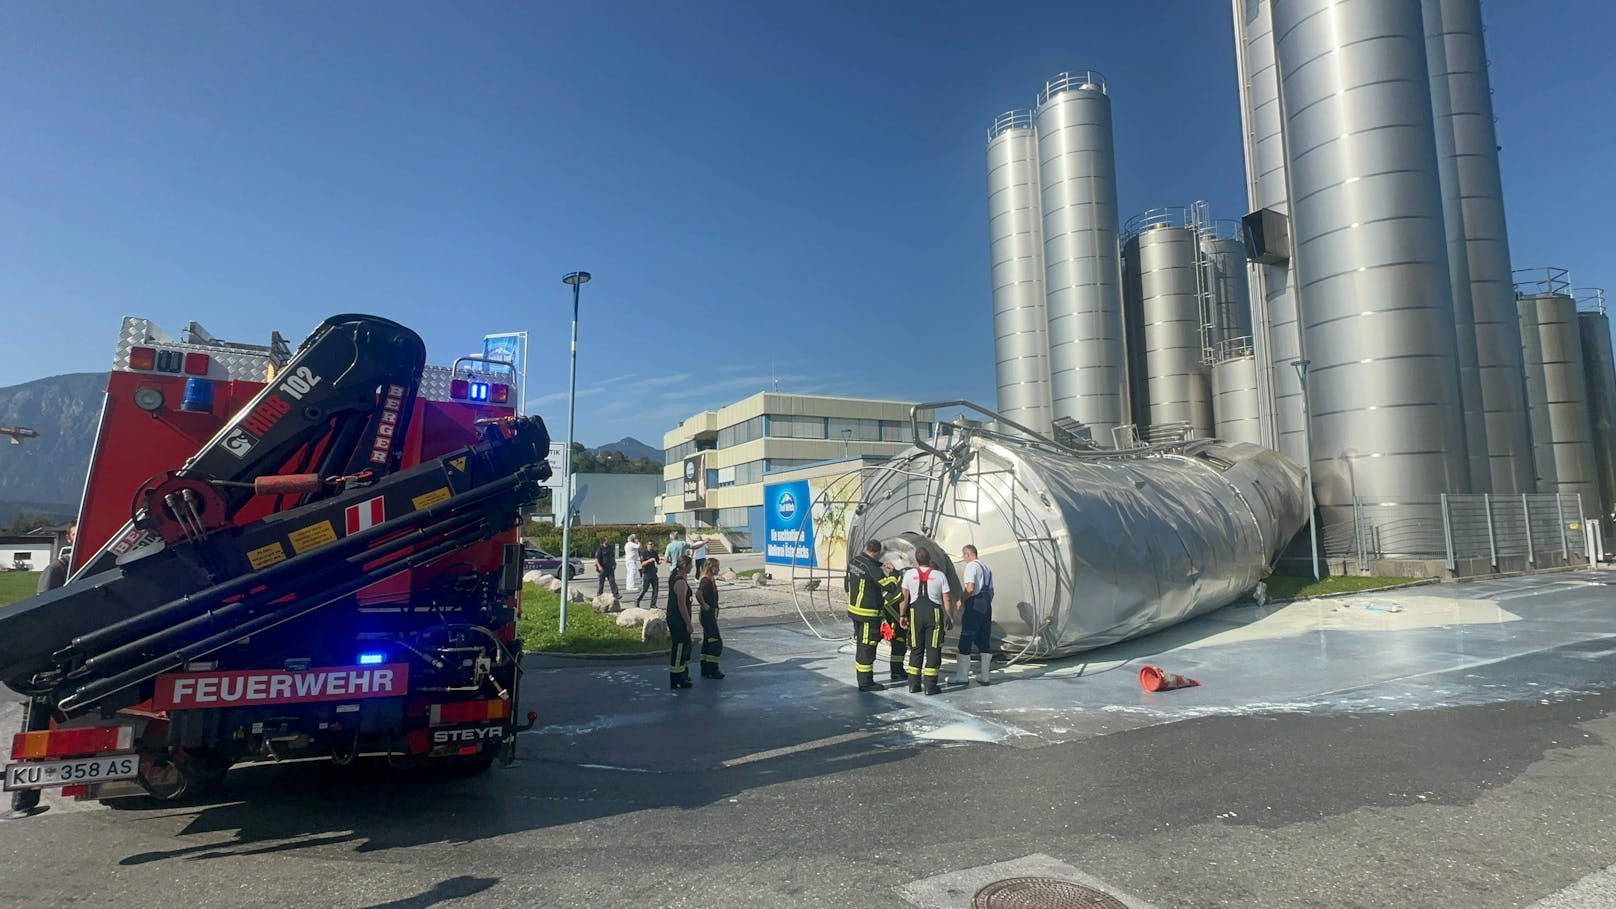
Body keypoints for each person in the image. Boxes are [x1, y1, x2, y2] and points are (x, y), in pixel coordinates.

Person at [899, 546, 952, 695]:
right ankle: (930, 686)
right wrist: (949, 616)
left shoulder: (909, 575)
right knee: (933, 648)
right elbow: (946, 598)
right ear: (929, 559)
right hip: (933, 613)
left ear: (917, 560)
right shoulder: (939, 575)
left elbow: (904, 598)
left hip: (915, 613)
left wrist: (902, 615)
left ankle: (913, 685)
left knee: (916, 648)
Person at [844, 539, 890, 691]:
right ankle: (865, 683)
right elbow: (888, 585)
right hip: (868, 614)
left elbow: (847, 582)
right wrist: (895, 573)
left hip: (855, 611)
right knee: (867, 647)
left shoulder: (854, 561)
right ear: (877, 552)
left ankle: (863, 679)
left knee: (861, 645)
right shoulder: (872, 568)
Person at [952, 544, 994, 685]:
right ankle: (985, 676)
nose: (964, 559)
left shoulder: (971, 566)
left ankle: (962, 676)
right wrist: (985, 604)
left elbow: (970, 588)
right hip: (986, 605)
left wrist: (961, 600)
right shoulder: (987, 568)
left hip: (975, 605)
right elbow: (991, 592)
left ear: (967, 554)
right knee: (984, 639)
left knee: (966, 637)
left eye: (964, 556)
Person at [666, 554, 695, 690]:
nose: (692, 567)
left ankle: (683, 674)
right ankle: (676, 678)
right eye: (691, 565)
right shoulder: (680, 583)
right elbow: (681, 605)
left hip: (675, 618)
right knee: (679, 648)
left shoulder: (677, 577)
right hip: (678, 620)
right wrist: (688, 623)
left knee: (683, 647)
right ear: (686, 566)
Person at [877, 557, 908, 683]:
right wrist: (900, 618)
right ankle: (897, 671)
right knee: (899, 645)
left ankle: (897, 671)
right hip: (894, 617)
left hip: (889, 616)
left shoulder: (898, 579)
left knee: (898, 644)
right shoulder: (904, 585)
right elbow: (898, 601)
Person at [695, 557, 724, 680]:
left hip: (710, 615)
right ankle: (713, 669)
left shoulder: (710, 580)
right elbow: (698, 593)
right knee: (716, 643)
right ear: (711, 568)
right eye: (717, 567)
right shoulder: (706, 581)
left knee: (708, 642)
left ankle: (705, 668)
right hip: (707, 617)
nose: (718, 569)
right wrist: (704, 605)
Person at [36, 520, 75, 594]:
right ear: (68, 538)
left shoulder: (97, 564)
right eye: (75, 534)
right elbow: (44, 601)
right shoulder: (55, 570)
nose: (81, 537)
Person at [634, 541, 661, 608]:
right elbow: (642, 564)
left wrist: (661, 560)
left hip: (653, 573)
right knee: (644, 589)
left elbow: (658, 562)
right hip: (646, 573)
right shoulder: (644, 553)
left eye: (653, 544)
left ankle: (653, 604)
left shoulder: (654, 553)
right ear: (647, 545)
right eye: (650, 544)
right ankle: (637, 599)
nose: (652, 545)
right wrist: (649, 560)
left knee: (656, 589)